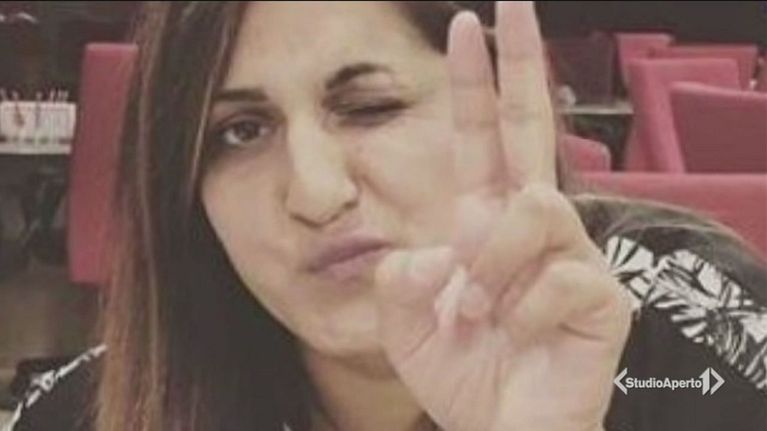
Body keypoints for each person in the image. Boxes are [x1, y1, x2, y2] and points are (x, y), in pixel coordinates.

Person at [4, 2, 766, 430]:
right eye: (239, 132)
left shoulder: (698, 351)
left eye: (369, 107)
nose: (314, 191)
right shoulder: (93, 413)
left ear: (493, 99)